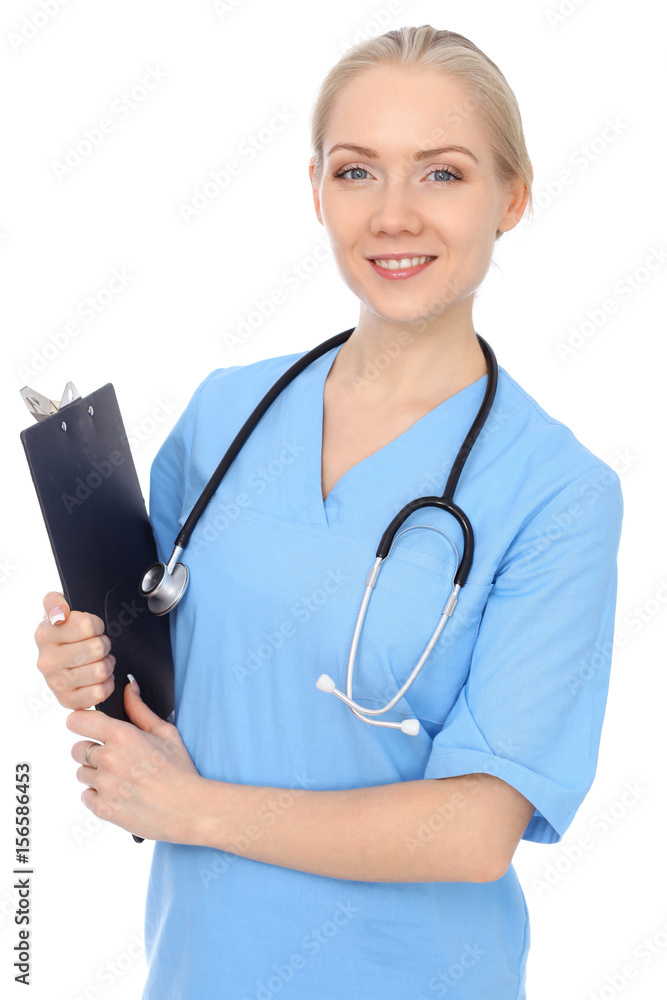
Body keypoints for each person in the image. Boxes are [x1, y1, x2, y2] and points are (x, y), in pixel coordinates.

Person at [34, 25, 623, 1000]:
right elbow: (160, 675)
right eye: (357, 172)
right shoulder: (224, 414)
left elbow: (475, 831)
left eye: (441, 174)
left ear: (511, 198)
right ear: (316, 191)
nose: (394, 215)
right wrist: (87, 664)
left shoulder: (557, 493)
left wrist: (198, 810)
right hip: (197, 972)